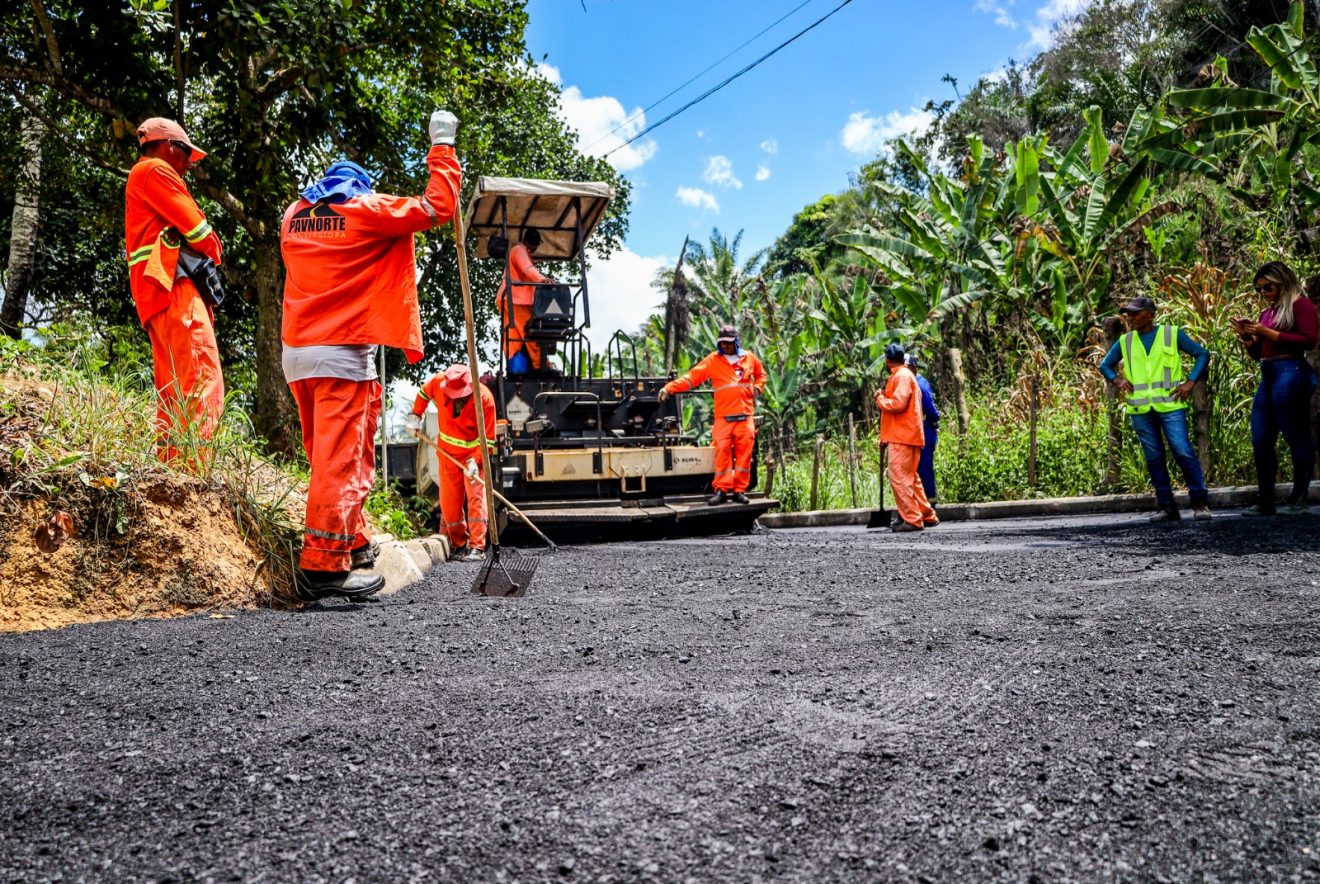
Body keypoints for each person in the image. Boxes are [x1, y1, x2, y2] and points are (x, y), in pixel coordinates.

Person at [280, 110, 461, 600]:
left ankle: (354, 542)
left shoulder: (293, 218)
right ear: (357, 188)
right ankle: (324, 569)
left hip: (297, 354)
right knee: (342, 463)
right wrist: (443, 147)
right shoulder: (364, 209)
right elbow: (435, 207)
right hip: (341, 357)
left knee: (331, 457)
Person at [124, 117, 224, 464]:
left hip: (156, 294)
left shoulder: (142, 175)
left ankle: (172, 475)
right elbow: (201, 234)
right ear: (167, 145)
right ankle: (196, 474)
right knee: (202, 379)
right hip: (173, 287)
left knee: (173, 392)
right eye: (185, 153)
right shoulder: (155, 170)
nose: (187, 165)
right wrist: (212, 244)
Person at [1099, 295, 1212, 522]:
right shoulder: (1126, 341)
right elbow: (1104, 365)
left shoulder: (1171, 334)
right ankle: (1167, 507)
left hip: (1170, 405)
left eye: (1134, 313)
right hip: (1141, 410)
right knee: (1154, 457)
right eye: (1127, 313)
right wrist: (1117, 380)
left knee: (1182, 451)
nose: (1129, 317)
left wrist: (1190, 382)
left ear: (1149, 314)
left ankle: (1200, 502)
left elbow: (1202, 354)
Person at [1231, 261, 1319, 515]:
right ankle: (1266, 500)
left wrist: (1266, 332)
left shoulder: (1301, 306)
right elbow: (1259, 353)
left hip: (1291, 371)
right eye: (1259, 289)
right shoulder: (1268, 312)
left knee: (1296, 435)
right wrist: (1248, 337)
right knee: (1260, 437)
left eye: (1267, 287)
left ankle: (1298, 498)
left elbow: (1308, 340)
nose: (1263, 293)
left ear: (1282, 281)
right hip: (1268, 372)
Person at [658, 324, 767, 505]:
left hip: (745, 416)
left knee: (744, 455)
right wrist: (670, 388)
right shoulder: (713, 360)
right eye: (722, 343)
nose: (725, 346)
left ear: (736, 342)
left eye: (729, 343)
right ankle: (721, 491)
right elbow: (692, 378)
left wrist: (758, 388)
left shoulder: (749, 358)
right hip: (723, 417)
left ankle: (739, 491)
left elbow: (761, 374)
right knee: (722, 452)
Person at [406, 364, 496, 561]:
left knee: (476, 499)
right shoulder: (438, 382)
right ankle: (458, 544)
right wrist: (415, 417)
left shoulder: (485, 400)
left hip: (472, 457)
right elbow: (423, 394)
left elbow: (488, 439)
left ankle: (477, 547)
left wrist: (476, 461)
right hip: (446, 454)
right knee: (449, 502)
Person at [876, 343, 938, 532]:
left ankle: (912, 519)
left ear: (887, 361)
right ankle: (926, 514)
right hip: (907, 434)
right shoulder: (907, 376)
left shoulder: (901, 376)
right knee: (911, 477)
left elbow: (898, 404)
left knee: (899, 477)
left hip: (902, 436)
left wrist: (880, 399)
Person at [498, 228, 552, 371]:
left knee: (513, 334)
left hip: (510, 298)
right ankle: (540, 365)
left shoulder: (521, 252)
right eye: (536, 245)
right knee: (530, 331)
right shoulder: (519, 250)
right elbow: (527, 269)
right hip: (516, 299)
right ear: (532, 243)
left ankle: (515, 366)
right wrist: (543, 280)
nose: (536, 248)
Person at [907, 354, 941, 502]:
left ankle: (930, 503)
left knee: (925, 468)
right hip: (921, 430)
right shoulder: (914, 383)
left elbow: (931, 409)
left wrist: (933, 420)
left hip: (926, 429)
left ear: (913, 368)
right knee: (919, 469)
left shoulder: (919, 384)